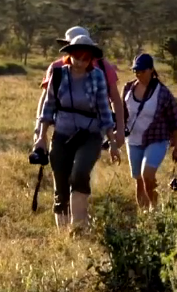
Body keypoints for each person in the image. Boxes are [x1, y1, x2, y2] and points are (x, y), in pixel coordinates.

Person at [33, 35, 121, 231]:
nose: (81, 62)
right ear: (69, 55)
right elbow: (48, 108)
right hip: (62, 133)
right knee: (61, 179)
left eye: (85, 58)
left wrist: (113, 141)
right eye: (77, 56)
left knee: (80, 173)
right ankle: (63, 231)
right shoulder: (58, 75)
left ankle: (79, 226)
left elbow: (104, 110)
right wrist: (41, 136)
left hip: (90, 134)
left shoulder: (97, 76)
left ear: (91, 59)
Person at [34, 26, 125, 148]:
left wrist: (120, 129)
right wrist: (38, 129)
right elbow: (46, 99)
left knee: (83, 164)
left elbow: (115, 99)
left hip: (92, 128)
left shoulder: (102, 67)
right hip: (63, 127)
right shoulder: (57, 68)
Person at [120, 53, 177, 211]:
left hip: (156, 139)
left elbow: (175, 120)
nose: (138, 74)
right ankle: (144, 214)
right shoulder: (128, 88)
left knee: (147, 174)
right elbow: (121, 115)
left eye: (142, 71)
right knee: (139, 180)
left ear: (151, 70)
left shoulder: (162, 93)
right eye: (136, 71)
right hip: (133, 140)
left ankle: (155, 210)